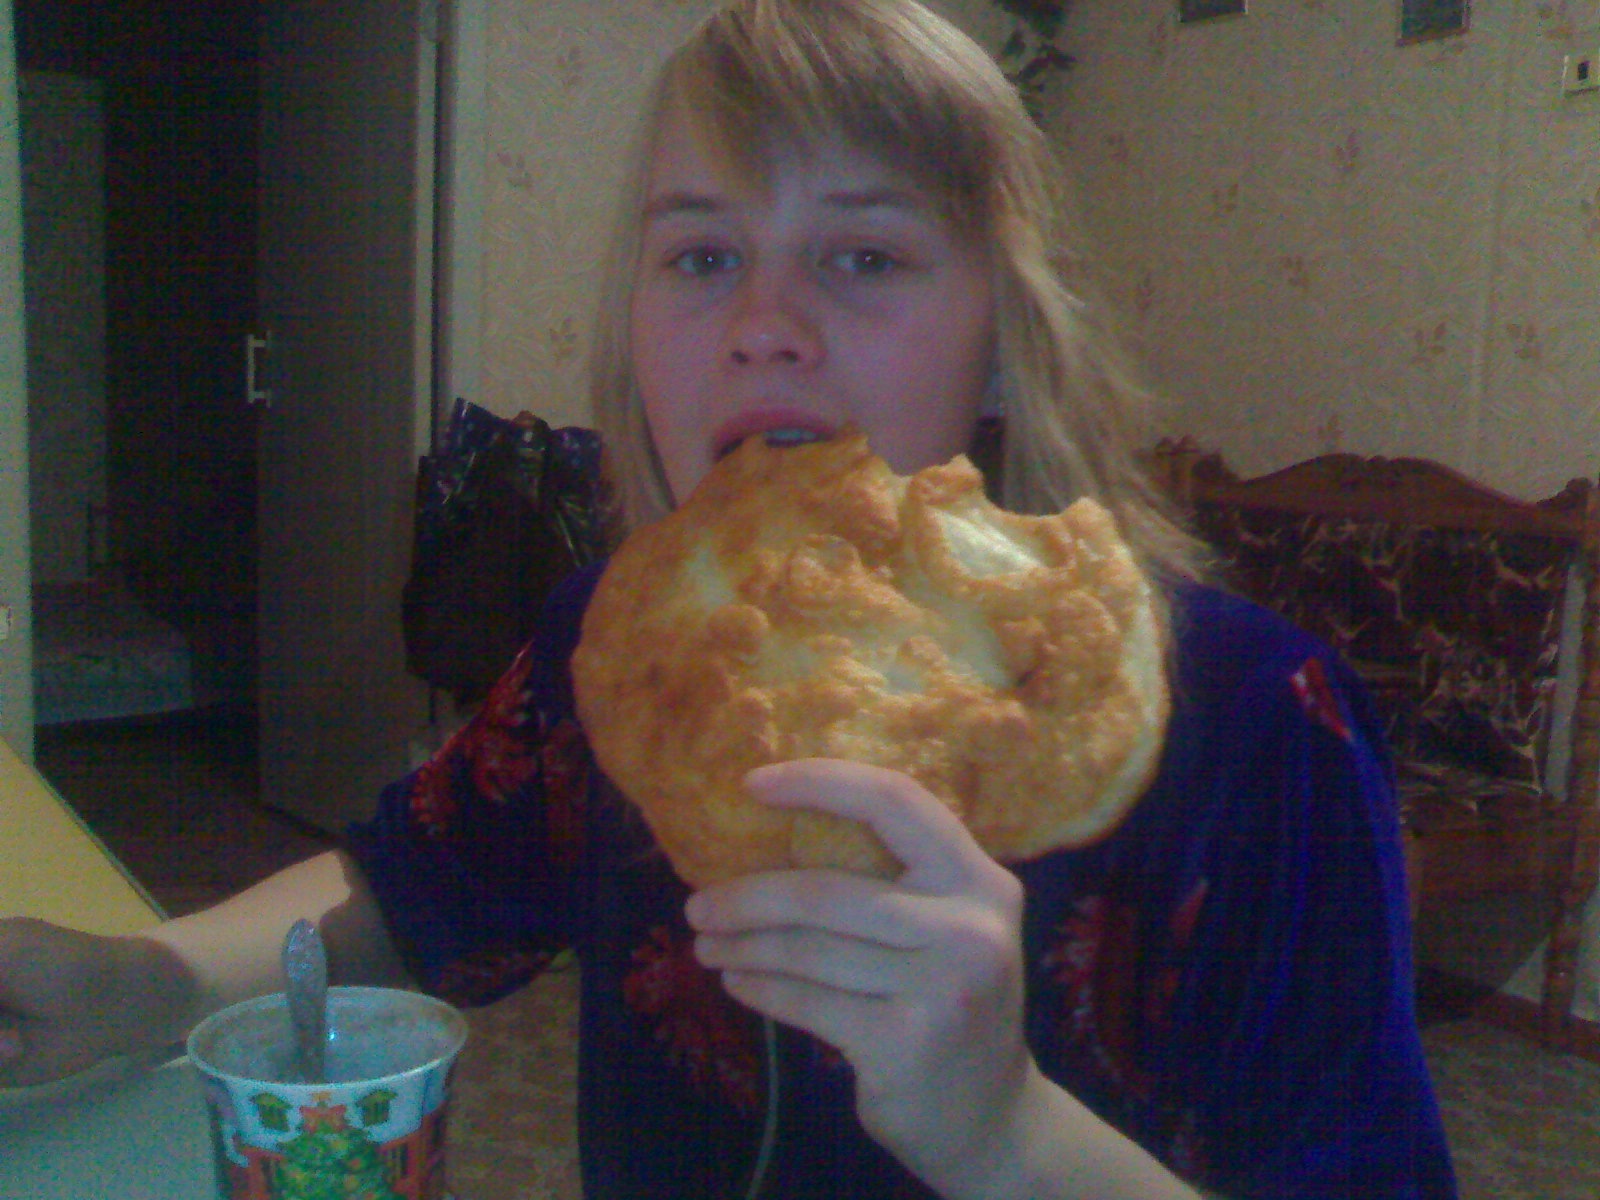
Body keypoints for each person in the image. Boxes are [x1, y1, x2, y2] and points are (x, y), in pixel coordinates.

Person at [0, 1, 1457, 1197]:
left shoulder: (1250, 726)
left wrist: (1010, 1137)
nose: (765, 326)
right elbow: (414, 883)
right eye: (703, 255)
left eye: (863, 255)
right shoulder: (619, 653)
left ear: (1008, 340)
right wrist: (145, 982)